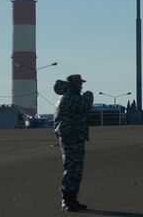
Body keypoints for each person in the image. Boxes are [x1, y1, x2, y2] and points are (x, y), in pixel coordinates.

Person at [54, 74, 94, 212]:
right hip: (70, 136)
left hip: (75, 136)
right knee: (72, 168)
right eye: (79, 83)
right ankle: (67, 200)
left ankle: (73, 199)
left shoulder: (71, 96)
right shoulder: (69, 97)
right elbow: (85, 106)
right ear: (73, 84)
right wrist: (89, 95)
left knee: (76, 169)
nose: (82, 86)